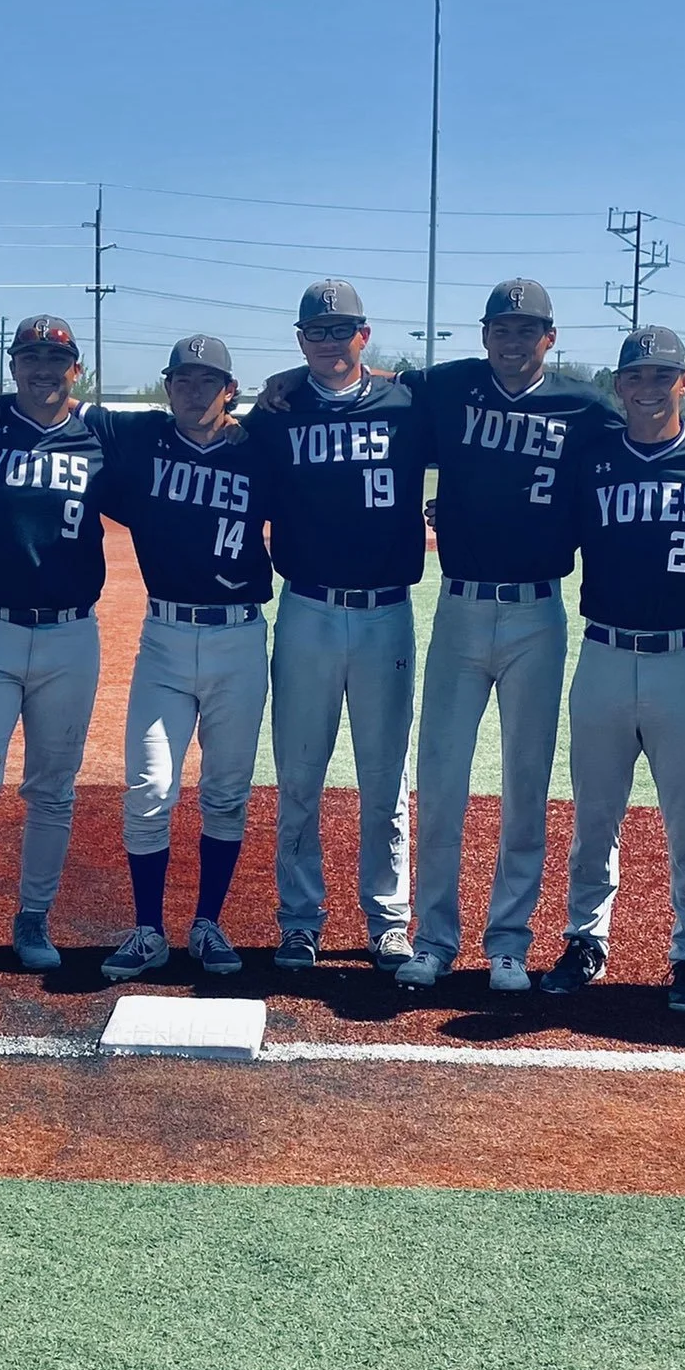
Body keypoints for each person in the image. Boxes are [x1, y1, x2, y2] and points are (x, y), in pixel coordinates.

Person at [382, 280, 610, 992]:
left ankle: (509, 940)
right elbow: (361, 381)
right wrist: (291, 379)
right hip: (460, 605)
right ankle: (436, 937)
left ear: (550, 336)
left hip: (538, 613)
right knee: (443, 778)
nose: (513, 343)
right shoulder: (448, 387)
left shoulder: (584, 403)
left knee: (526, 782)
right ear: (484, 335)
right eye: (502, 330)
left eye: (528, 331)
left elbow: (663, 420)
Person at [540, 327, 685, 1009]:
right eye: (638, 376)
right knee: (594, 815)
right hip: (602, 652)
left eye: (665, 376)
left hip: (684, 657)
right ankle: (585, 938)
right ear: (620, 385)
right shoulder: (592, 456)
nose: (650, 387)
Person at [0, 315, 117, 986]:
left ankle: (32, 919)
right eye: (29, 359)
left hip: (71, 631)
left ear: (76, 369)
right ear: (13, 367)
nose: (43, 371)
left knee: (53, 791)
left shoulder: (100, 434)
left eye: (55, 361)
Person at [243, 280, 430, 972]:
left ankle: (387, 918)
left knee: (386, 775)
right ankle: (300, 918)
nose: (329, 342)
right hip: (308, 609)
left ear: (364, 335)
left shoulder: (410, 404)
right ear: (300, 340)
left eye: (341, 330)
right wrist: (281, 382)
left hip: (386, 611)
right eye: (316, 333)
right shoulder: (275, 415)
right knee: (299, 773)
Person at [96, 337, 272, 979]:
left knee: (225, 793)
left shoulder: (260, 448)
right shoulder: (141, 440)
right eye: (183, 380)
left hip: (239, 637)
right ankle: (148, 930)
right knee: (149, 787)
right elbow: (57, 406)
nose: (194, 392)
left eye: (209, 381)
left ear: (231, 388)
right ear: (167, 386)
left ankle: (209, 924)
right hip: (164, 638)